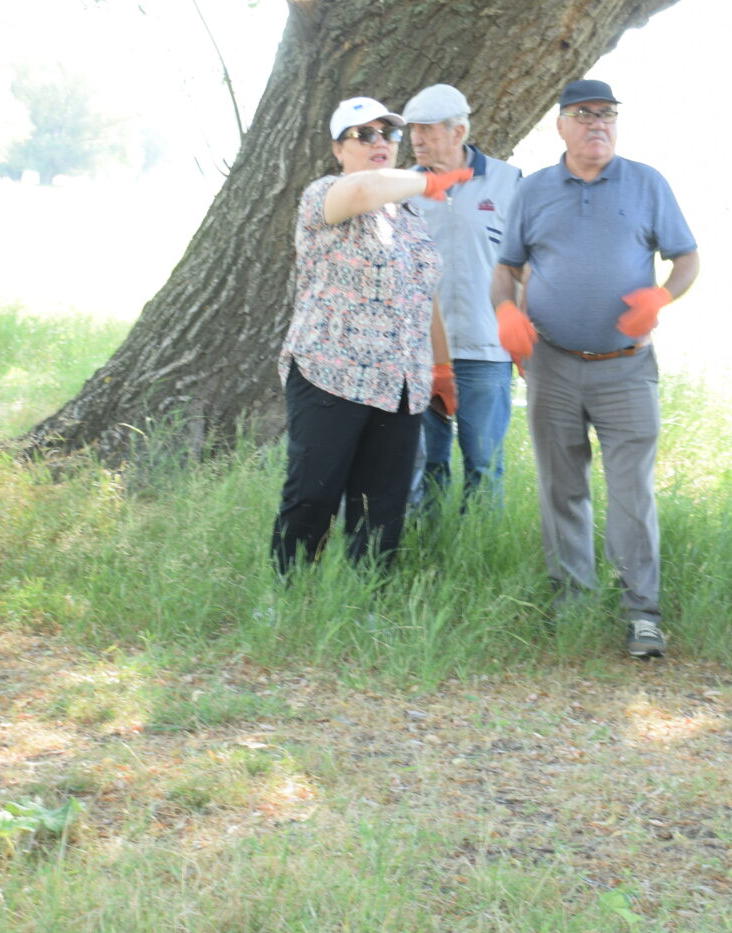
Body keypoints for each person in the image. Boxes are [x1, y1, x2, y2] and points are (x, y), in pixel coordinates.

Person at [491, 80, 699, 659]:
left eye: (607, 114)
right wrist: (505, 311)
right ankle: (573, 606)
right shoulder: (533, 191)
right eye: (584, 115)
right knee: (562, 489)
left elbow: (687, 258)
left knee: (632, 493)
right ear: (560, 124)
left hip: (626, 368)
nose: (597, 124)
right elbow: (506, 268)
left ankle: (643, 615)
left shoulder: (647, 183)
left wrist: (663, 296)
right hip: (552, 364)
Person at [271, 96, 473, 575]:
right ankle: (286, 597)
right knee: (313, 495)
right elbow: (367, 188)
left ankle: (369, 600)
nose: (379, 141)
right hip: (330, 376)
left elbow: (424, 295)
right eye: (363, 134)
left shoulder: (408, 217)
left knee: (383, 506)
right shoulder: (325, 194)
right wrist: (430, 179)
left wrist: (441, 367)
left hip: (400, 384)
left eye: (388, 133)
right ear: (338, 149)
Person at [404, 83, 522, 506]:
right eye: (413, 129)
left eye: (427, 129)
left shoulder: (508, 182)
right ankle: (427, 540)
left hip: (486, 349)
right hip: (419, 351)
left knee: (484, 464)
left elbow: (525, 263)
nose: (416, 139)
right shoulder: (402, 189)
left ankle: (481, 543)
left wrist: (523, 335)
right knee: (426, 466)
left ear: (457, 132)